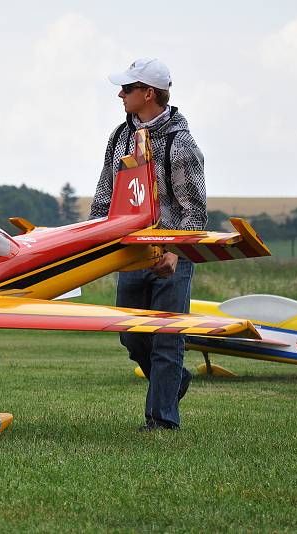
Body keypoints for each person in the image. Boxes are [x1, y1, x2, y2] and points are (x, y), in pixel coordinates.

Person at [89, 58, 207, 431]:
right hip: (130, 256)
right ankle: (174, 383)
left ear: (148, 94)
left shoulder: (181, 143)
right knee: (132, 338)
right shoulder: (119, 137)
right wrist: (93, 243)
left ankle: (162, 420)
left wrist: (176, 254)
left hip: (172, 257)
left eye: (127, 89)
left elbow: (195, 212)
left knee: (167, 341)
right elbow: (104, 197)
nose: (120, 95)